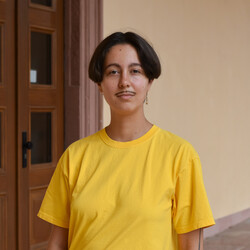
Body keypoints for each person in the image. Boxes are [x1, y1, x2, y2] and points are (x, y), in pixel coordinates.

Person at [38, 31, 215, 250]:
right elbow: (56, 243)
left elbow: (191, 244)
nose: (124, 82)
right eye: (113, 72)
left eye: (135, 71)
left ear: (149, 81)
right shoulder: (75, 156)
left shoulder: (179, 155)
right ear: (100, 84)